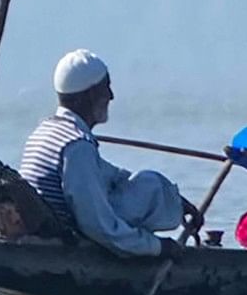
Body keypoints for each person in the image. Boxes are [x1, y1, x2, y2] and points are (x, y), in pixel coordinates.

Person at [14, 49, 192, 259]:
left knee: (144, 183)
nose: (111, 96)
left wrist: (179, 203)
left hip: (50, 224)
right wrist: (158, 247)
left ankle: (162, 215)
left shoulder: (45, 130)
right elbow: (98, 225)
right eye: (106, 88)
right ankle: (137, 241)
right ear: (90, 95)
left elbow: (106, 174)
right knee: (150, 186)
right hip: (68, 238)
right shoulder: (76, 144)